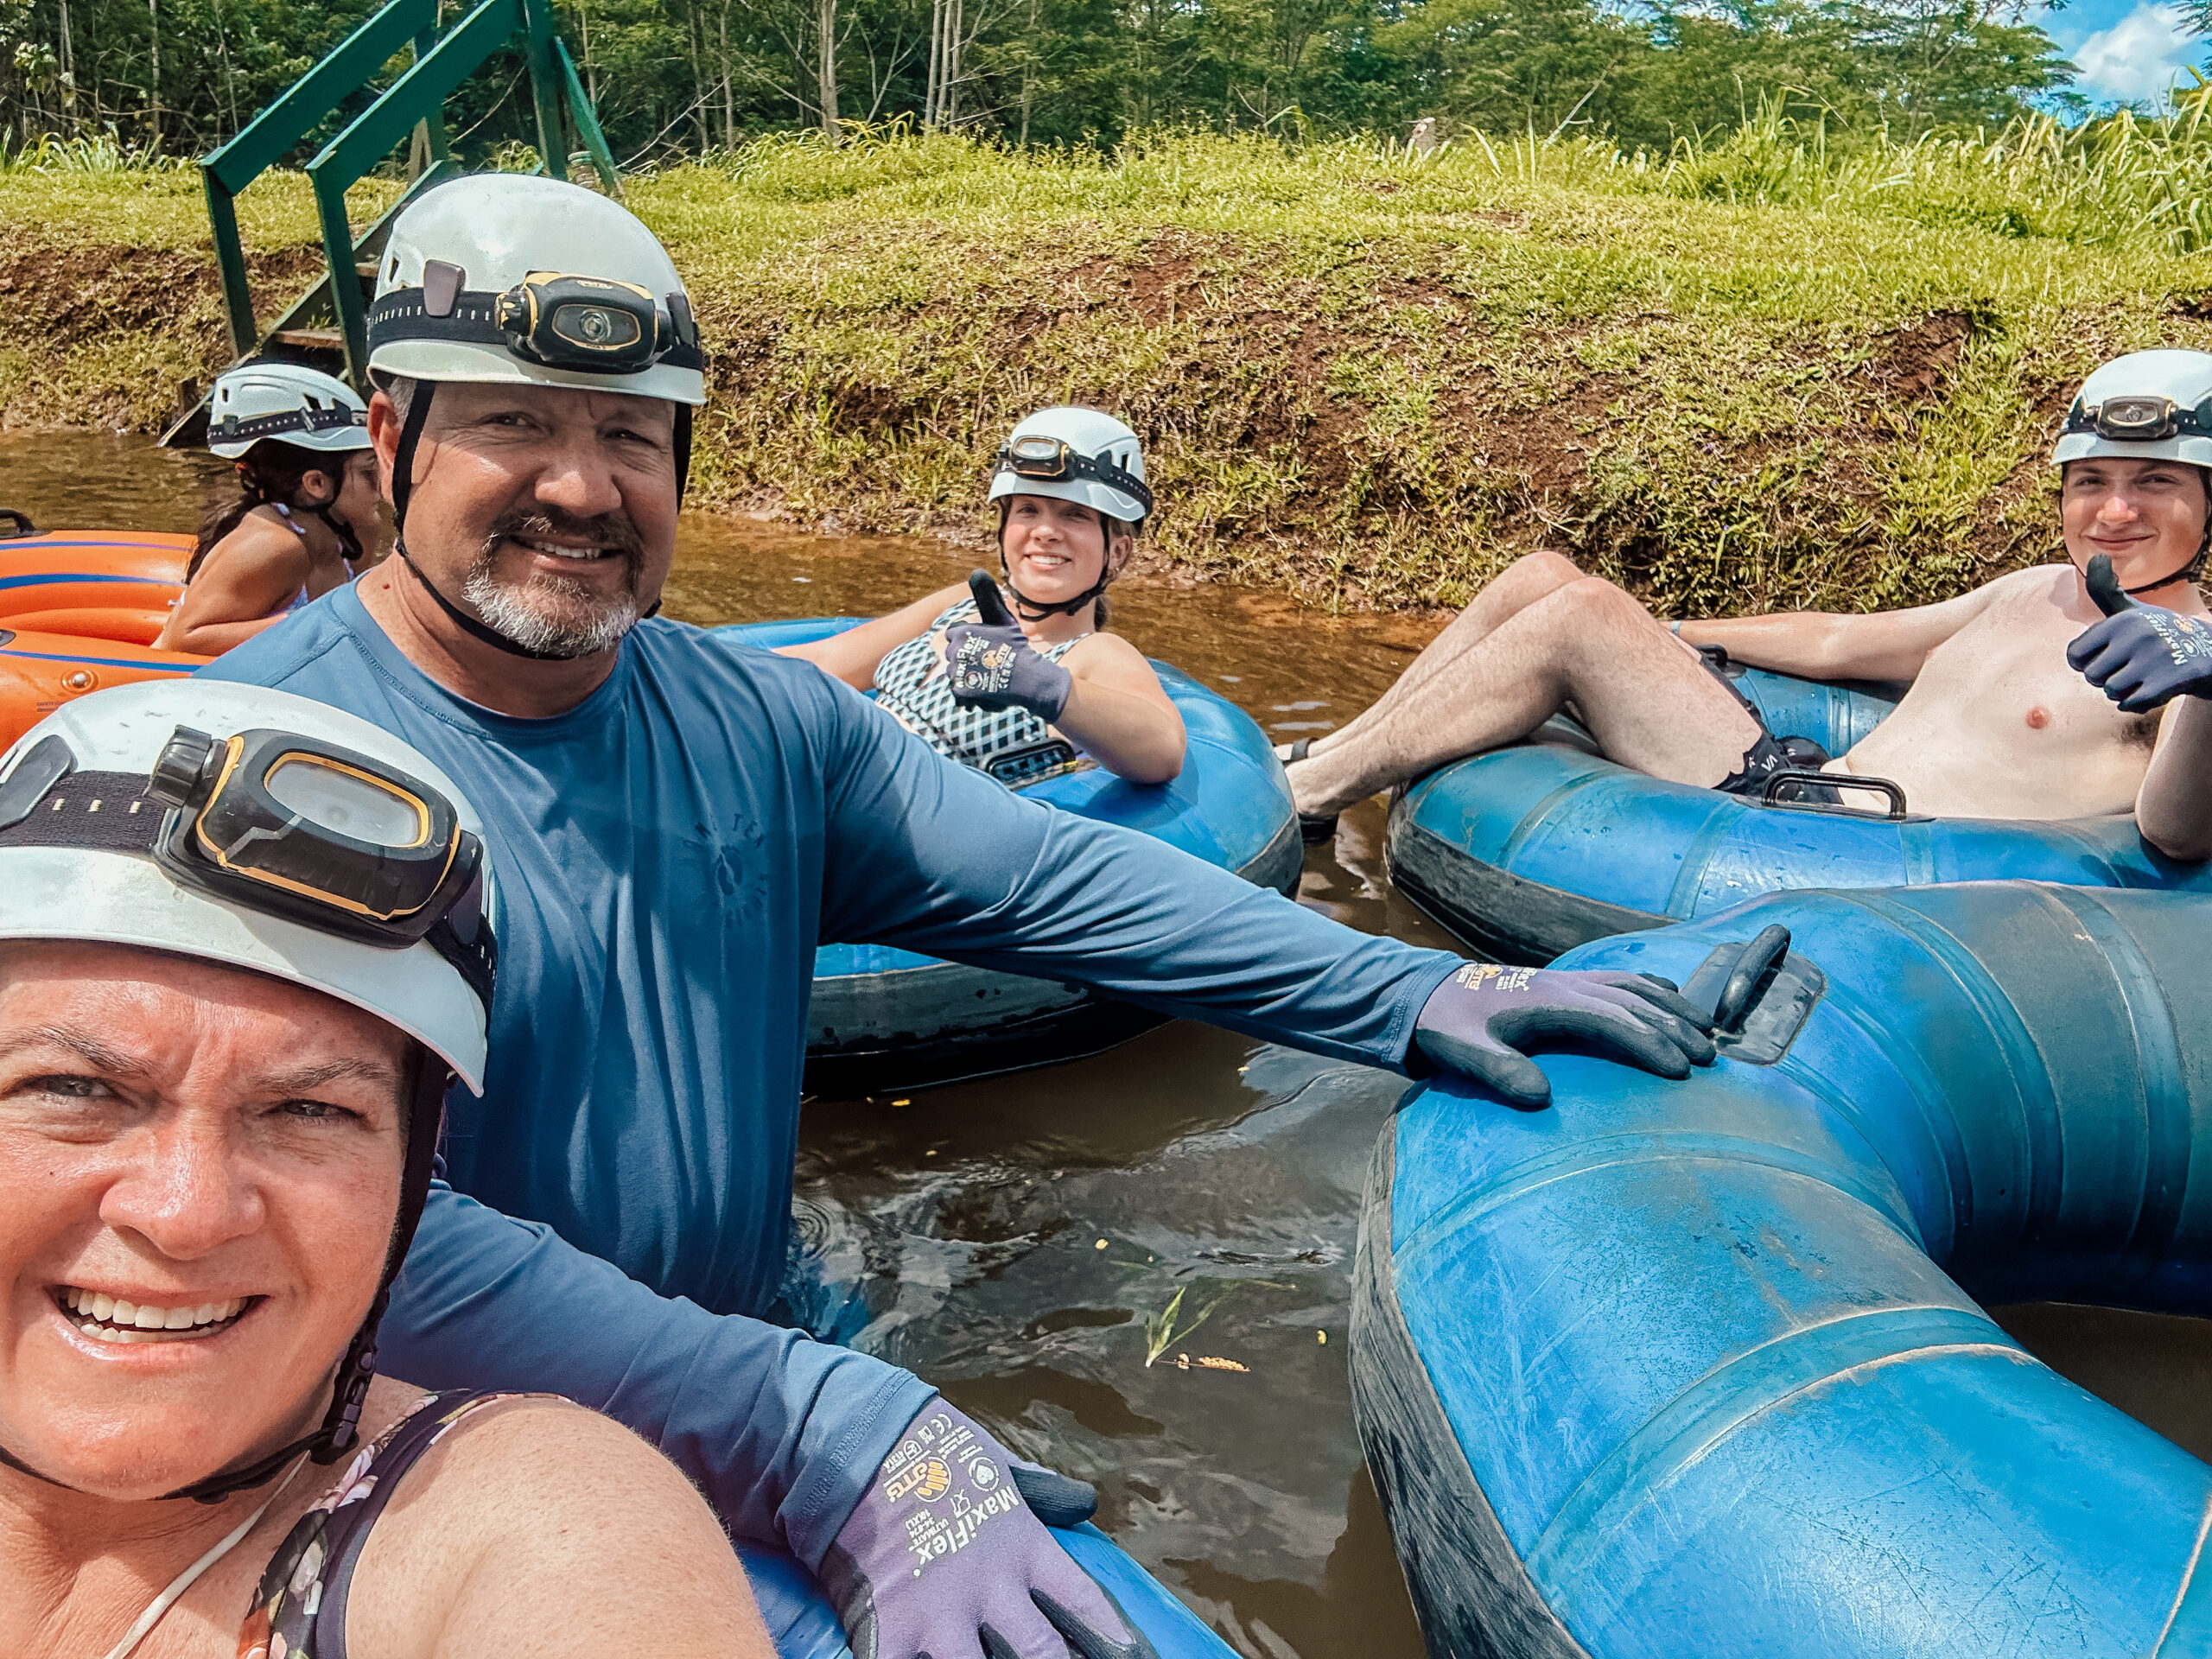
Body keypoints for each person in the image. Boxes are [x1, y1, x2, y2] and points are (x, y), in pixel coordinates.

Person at [195, 173, 1717, 1659]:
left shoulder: (756, 726)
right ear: (391, 437)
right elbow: (310, 1228)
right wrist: (810, 1427)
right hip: (396, 1462)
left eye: (631, 433)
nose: (584, 485)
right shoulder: (244, 765)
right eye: (514, 421)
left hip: (734, 1357)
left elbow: (1058, 881)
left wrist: (1404, 994)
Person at [0, 680, 767, 1659]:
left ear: (412, 1175)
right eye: (73, 1089)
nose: (187, 1214)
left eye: (310, 1110)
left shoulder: (521, 1521)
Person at [1281, 350, 2212, 862]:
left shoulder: (2191, 657)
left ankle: (1301, 796)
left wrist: (2204, 685)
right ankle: (1326, 765)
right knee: (1544, 580)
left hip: (1858, 848)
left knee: (1579, 617)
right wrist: (1666, 636)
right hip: (1800, 789)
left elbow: (2175, 833)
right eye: (2089, 480)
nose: (2114, 510)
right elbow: (1842, 641)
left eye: (2154, 483)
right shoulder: (2030, 590)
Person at [781, 408, 1185, 785]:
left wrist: (1034, 681)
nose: (1045, 531)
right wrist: (719, 662)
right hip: (825, 769)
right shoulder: (962, 603)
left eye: (1073, 515)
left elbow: (1164, 752)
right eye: (1028, 510)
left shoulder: (1095, 654)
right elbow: (827, 662)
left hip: (902, 815)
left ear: (1117, 551)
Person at [154, 364, 381, 656]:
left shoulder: (359, 530)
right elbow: (182, 640)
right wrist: (320, 623)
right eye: (368, 473)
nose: (383, 484)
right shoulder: (274, 547)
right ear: (316, 483)